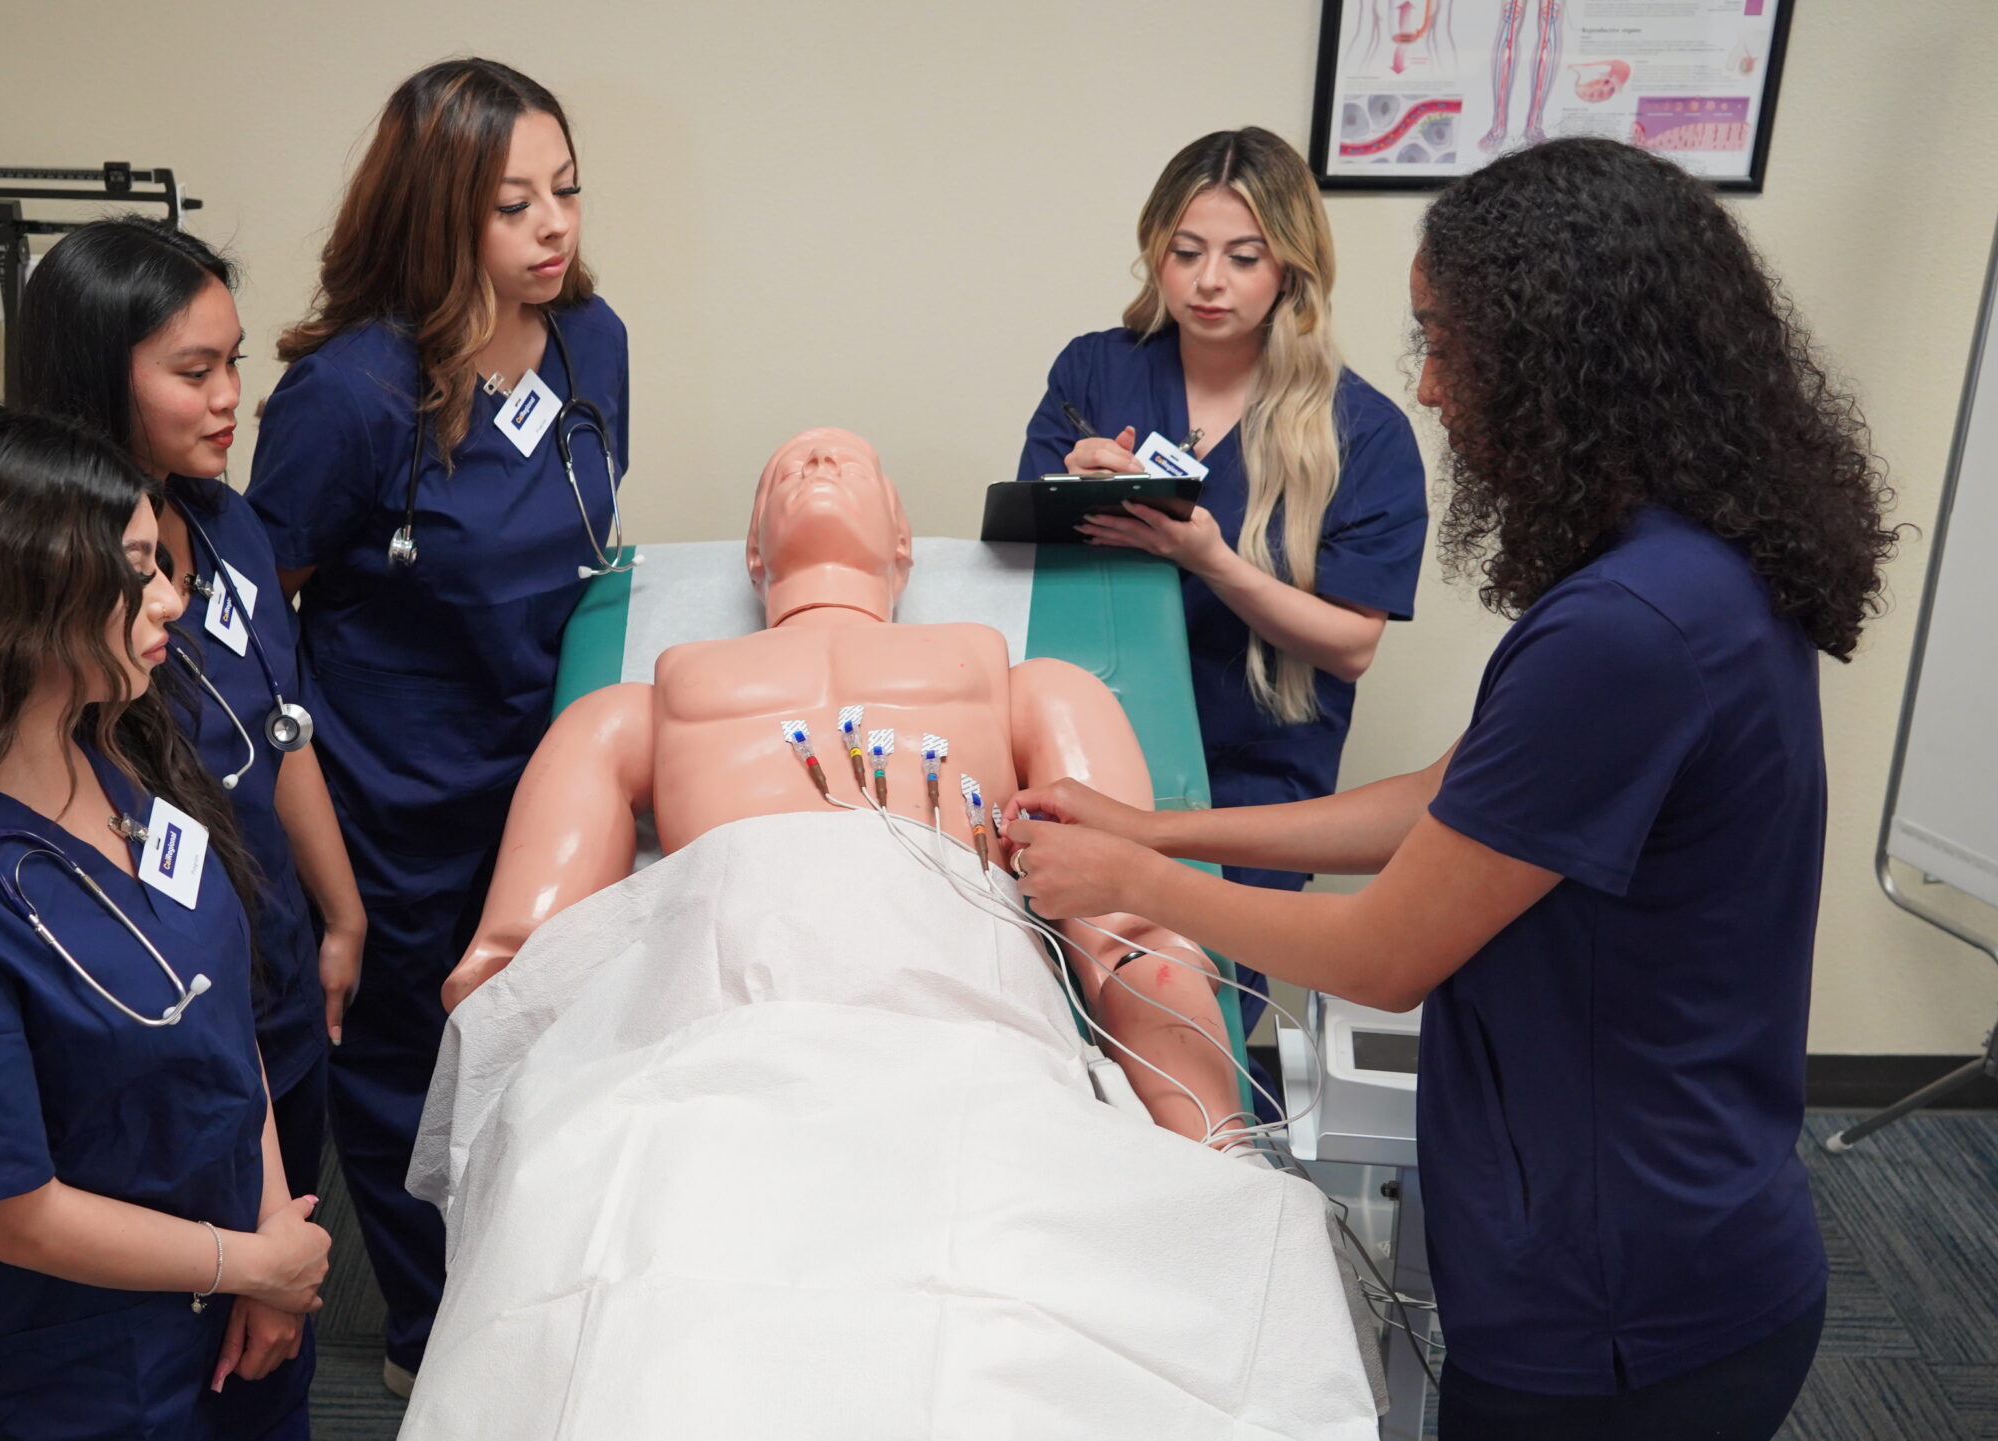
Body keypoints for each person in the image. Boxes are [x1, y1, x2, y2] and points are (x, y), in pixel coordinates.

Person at [1004, 138, 1900, 1440]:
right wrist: (1153, 826)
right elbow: (1447, 796)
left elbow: (1384, 954)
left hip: (1618, 1302)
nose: (1425, 386)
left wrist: (1137, 878)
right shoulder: (1682, 569)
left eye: (1445, 344)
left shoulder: (1629, 629)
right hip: (1664, 1229)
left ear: (1557, 357)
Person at [402, 429, 1373, 1438]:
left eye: (850, 462)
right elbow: (514, 967)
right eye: (786, 467)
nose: (818, 462)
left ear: (904, 542)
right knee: (651, 1274)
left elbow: (1133, 935)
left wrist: (1214, 1143)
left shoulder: (1028, 684)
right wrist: (528, 1146)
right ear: (751, 550)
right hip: (706, 1043)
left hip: (961, 1035)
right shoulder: (639, 705)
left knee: (995, 1295)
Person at [0, 405, 335, 1438]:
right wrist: (246, 1262)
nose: (170, 595)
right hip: (82, 1372)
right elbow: (17, 1212)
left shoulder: (121, 752)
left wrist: (271, 1237)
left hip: (239, 1303)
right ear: (11, 595)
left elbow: (221, 1012)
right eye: (136, 570)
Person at [244, 57, 629, 1392]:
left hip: (544, 774)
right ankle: (431, 1338)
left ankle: (538, 1291)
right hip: (392, 793)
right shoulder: (351, 396)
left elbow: (578, 537)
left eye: (566, 191)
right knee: (407, 1067)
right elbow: (261, 611)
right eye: (513, 204)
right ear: (435, 212)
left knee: (550, 1042)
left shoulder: (591, 340)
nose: (553, 227)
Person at [11, 217, 369, 1433]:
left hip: (266, 964)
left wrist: (340, 913)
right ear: (95, 375)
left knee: (284, 1281)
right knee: (187, 1329)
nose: (230, 399)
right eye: (193, 370)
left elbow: (282, 725)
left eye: (234, 363)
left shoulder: (227, 523)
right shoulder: (54, 598)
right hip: (158, 1012)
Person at [1016, 125, 1428, 1063]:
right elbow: (1026, 558)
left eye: (1243, 257)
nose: (1210, 282)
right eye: (1186, 252)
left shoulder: (1360, 431)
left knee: (1190, 1034)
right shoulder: (1096, 372)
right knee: (1058, 1034)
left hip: (1248, 781)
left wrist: (1212, 559)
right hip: (1090, 745)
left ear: (1291, 267)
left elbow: (1352, 643)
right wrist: (1074, 489)